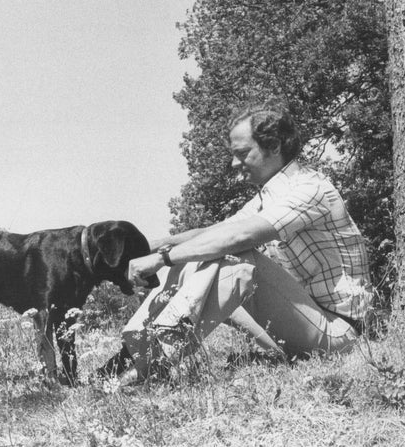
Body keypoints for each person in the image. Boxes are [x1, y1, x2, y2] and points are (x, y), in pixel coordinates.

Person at [99, 101, 372, 384]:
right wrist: (150, 247)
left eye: (242, 153)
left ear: (275, 146)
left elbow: (237, 237)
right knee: (200, 255)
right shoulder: (270, 197)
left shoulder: (310, 189)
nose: (233, 164)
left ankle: (153, 365)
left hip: (338, 333)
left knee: (240, 258)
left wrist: (164, 259)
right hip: (299, 324)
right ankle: (134, 352)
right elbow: (215, 232)